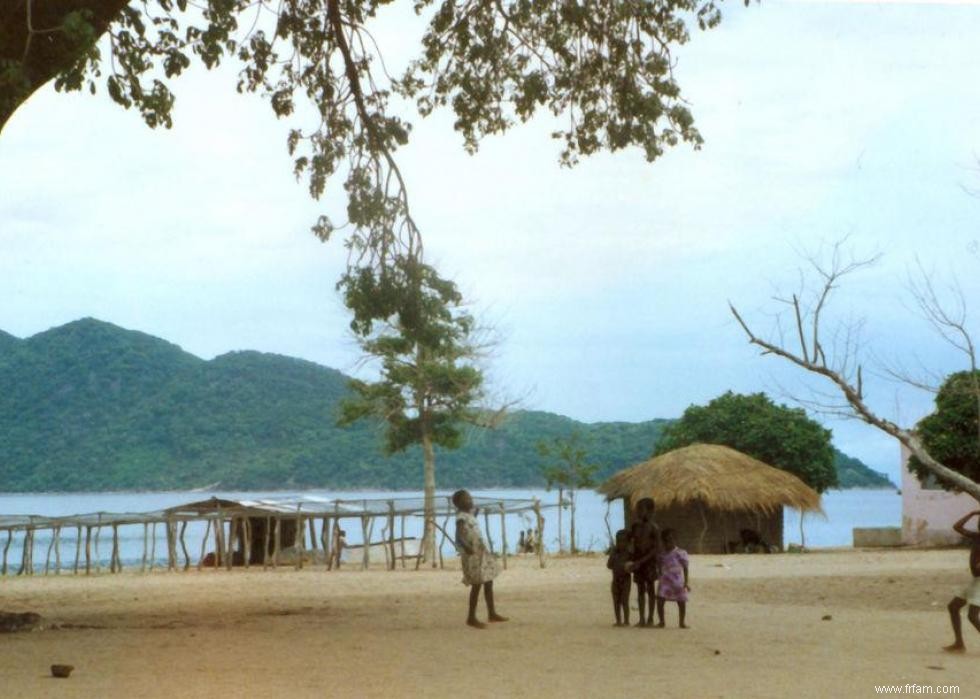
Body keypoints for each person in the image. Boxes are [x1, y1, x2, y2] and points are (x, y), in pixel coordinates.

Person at [453, 489, 508, 629]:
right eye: (467, 499)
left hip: (481, 553)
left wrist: (475, 513)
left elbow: (472, 527)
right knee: (477, 585)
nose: (470, 501)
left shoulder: (469, 516)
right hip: (472, 555)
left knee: (488, 581)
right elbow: (459, 536)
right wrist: (466, 547)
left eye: (470, 498)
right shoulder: (460, 518)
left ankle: (492, 613)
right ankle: (471, 617)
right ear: (458, 504)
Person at [944, 509, 980, 652]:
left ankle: (959, 644)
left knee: (972, 616)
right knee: (953, 607)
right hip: (976, 580)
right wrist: (972, 514)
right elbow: (957, 527)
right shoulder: (977, 537)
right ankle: (959, 643)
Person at [625, 497, 660, 627]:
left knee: (650, 590)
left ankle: (650, 618)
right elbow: (630, 542)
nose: (638, 512)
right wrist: (632, 559)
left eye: (641, 509)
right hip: (637, 563)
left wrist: (641, 561)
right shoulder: (635, 526)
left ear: (650, 511)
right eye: (637, 510)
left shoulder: (654, 528)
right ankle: (641, 619)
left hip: (649, 563)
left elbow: (656, 549)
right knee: (640, 590)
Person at [655, 529, 690, 629]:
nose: (668, 543)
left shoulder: (680, 553)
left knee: (681, 601)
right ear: (662, 541)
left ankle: (682, 622)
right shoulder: (661, 554)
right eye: (665, 541)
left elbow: (685, 568)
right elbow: (658, 564)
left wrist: (686, 582)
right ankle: (661, 621)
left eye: (670, 540)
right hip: (665, 580)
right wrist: (659, 573)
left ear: (675, 540)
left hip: (678, 581)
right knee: (660, 600)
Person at [607, 529, 632, 627]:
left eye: (623, 541)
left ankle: (626, 620)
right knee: (616, 601)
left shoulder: (629, 554)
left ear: (628, 542)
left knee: (625, 601)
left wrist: (627, 567)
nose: (621, 543)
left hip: (626, 581)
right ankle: (618, 620)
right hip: (615, 580)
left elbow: (633, 567)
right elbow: (609, 565)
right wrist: (613, 557)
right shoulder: (614, 553)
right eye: (619, 541)